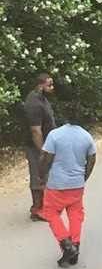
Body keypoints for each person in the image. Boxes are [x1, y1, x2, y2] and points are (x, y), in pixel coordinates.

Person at [39, 109, 97, 267]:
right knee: (75, 214)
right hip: (76, 185)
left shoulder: (55, 135)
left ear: (65, 118)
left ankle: (66, 244)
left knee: (50, 213)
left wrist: (42, 175)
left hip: (56, 185)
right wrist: (83, 178)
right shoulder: (87, 136)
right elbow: (92, 160)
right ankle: (75, 246)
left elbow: (46, 158)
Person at [23, 73, 56, 220]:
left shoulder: (42, 98)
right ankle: (36, 210)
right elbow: (35, 130)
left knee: (45, 175)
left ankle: (45, 207)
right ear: (40, 85)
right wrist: (42, 150)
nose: (52, 87)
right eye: (49, 85)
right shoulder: (33, 103)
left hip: (46, 143)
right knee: (38, 175)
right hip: (36, 145)